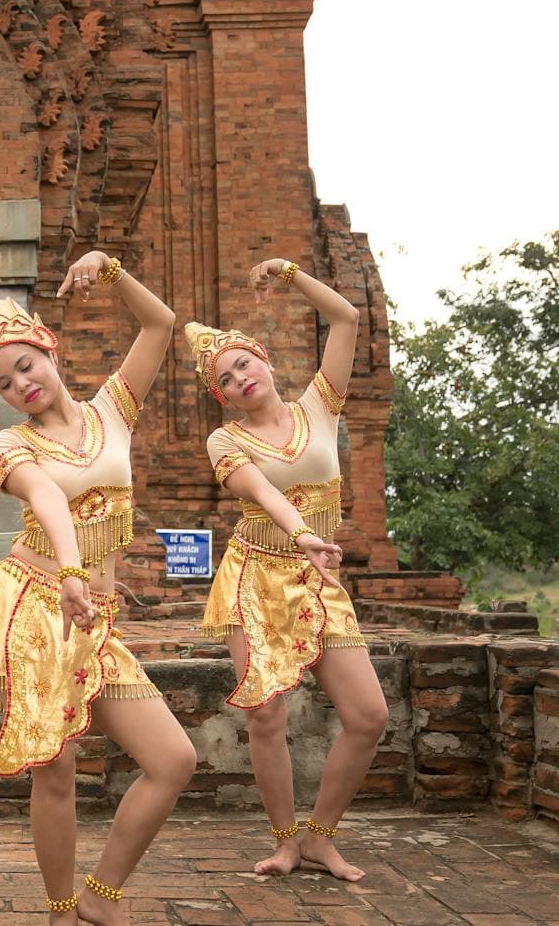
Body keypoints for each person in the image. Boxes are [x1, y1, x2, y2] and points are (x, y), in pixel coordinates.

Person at [0, 257, 197, 924]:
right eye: (2, 380)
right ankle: (61, 911)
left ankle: (100, 896)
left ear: (49, 349)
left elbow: (161, 323)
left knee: (172, 760)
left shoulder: (114, 409)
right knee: (54, 770)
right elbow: (48, 497)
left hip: (95, 613)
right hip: (37, 605)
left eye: (25, 364)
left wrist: (110, 271)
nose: (19, 382)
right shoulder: (9, 444)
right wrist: (71, 571)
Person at [191, 256, 389, 882]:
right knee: (266, 714)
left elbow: (347, 316)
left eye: (244, 363)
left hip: (317, 577)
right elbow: (264, 493)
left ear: (265, 361)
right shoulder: (226, 441)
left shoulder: (320, 407)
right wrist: (303, 532)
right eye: (225, 379)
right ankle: (283, 841)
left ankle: (321, 835)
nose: (239, 378)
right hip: (255, 574)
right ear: (220, 396)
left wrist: (292, 276)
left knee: (369, 716)